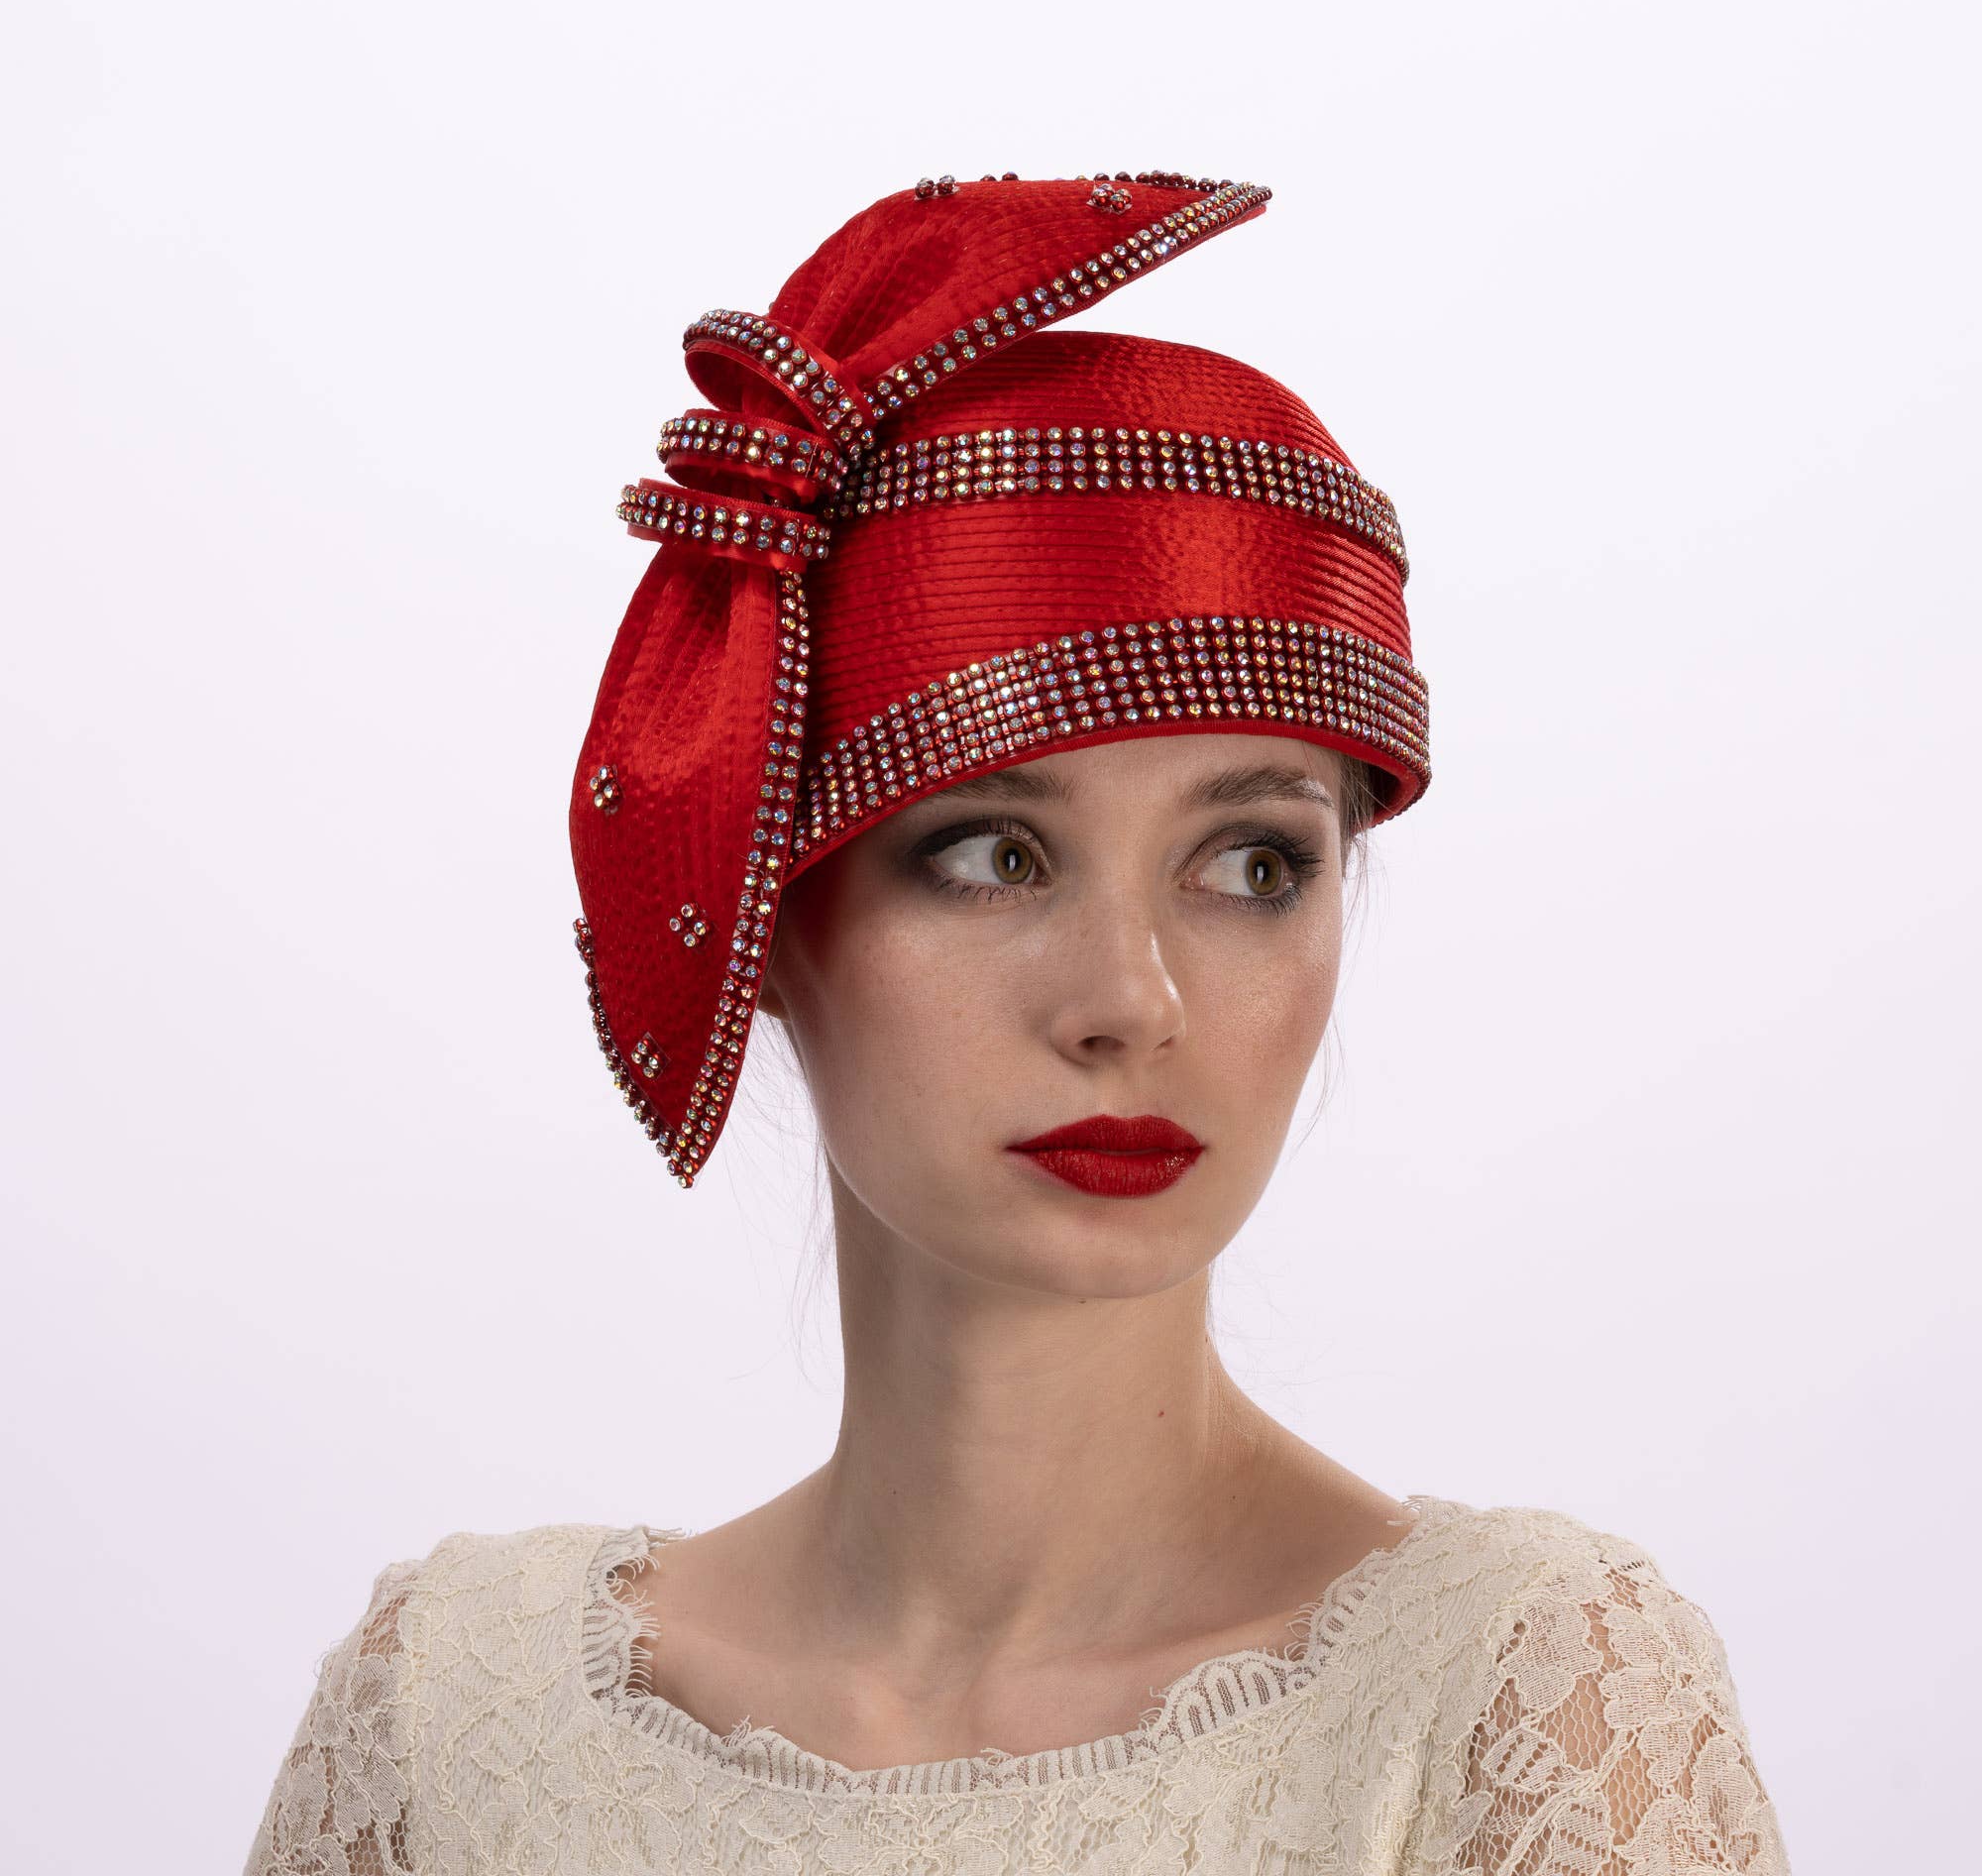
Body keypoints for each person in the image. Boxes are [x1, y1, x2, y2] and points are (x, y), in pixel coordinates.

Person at [243, 171, 1791, 1874]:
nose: (1132, 999)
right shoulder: (455, 1721)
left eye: (1253, 864)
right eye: (993, 854)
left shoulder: (1526, 1704)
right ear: (769, 910)